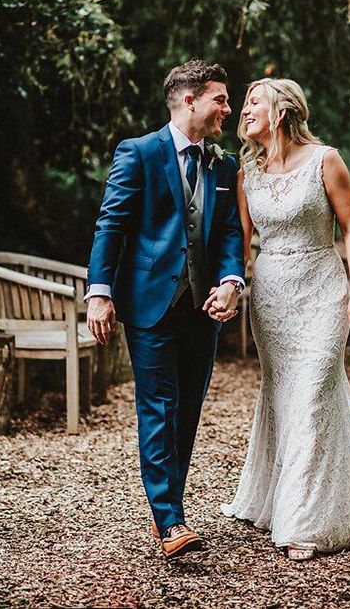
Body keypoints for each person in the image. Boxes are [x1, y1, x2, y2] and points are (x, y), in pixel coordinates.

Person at [218, 77, 350, 561]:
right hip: (272, 298)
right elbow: (242, 243)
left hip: (321, 289)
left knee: (315, 390)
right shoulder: (246, 171)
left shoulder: (325, 160)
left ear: (281, 110)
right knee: (283, 395)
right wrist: (234, 286)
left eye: (254, 102)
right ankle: (280, 499)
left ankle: (304, 520)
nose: (244, 110)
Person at [85, 59, 245, 559]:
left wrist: (231, 280)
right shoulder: (139, 153)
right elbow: (111, 226)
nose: (228, 107)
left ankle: (169, 506)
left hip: (204, 307)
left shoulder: (224, 164)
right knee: (158, 407)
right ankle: (170, 520)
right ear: (190, 100)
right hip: (151, 302)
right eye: (220, 98)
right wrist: (99, 291)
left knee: (189, 410)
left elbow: (228, 234)